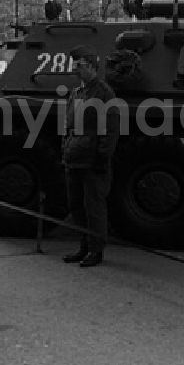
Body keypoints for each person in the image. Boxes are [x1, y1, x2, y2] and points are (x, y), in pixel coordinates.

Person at [61, 45, 118, 268]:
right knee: (77, 206)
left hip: (93, 160)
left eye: (81, 65)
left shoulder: (104, 94)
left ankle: (96, 250)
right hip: (74, 157)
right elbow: (69, 125)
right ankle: (84, 246)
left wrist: (103, 157)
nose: (76, 69)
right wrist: (64, 148)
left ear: (93, 67)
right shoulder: (77, 93)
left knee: (94, 207)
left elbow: (111, 128)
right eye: (75, 65)